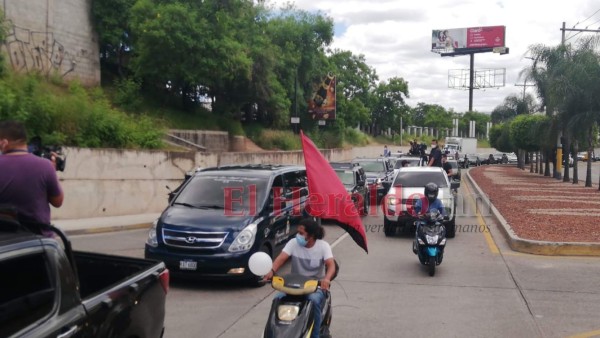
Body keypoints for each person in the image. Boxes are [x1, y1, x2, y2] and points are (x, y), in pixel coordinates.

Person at [263, 218, 335, 338]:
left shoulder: (323, 246)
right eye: (298, 232)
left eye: (301, 233)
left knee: (314, 300)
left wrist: (326, 279)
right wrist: (271, 271)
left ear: (311, 235)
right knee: (277, 299)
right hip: (294, 285)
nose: (298, 235)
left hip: (315, 286)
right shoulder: (293, 243)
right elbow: (281, 258)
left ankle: (315, 335)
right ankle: (271, 334)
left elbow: (331, 265)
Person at [0, 120, 64, 232]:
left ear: (4, 142)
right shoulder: (45, 166)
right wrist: (53, 171)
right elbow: (58, 202)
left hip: (4, 240)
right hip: (38, 240)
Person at [412, 183, 446, 252]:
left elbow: (443, 211)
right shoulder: (420, 200)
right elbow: (416, 210)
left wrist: (443, 216)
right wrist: (417, 214)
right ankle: (417, 243)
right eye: (430, 193)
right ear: (426, 192)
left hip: (435, 221)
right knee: (418, 226)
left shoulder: (438, 201)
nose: (431, 195)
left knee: (442, 229)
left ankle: (440, 245)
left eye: (433, 193)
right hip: (423, 220)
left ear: (436, 193)